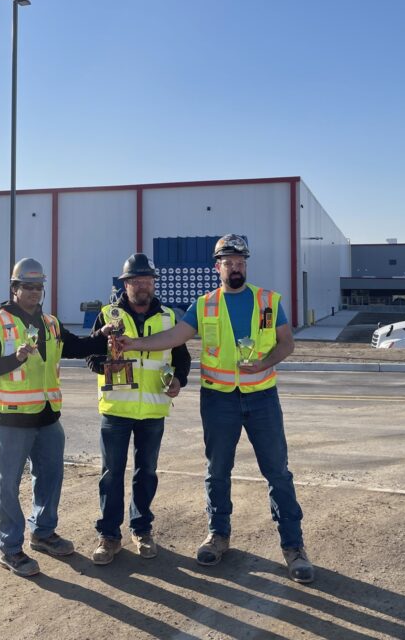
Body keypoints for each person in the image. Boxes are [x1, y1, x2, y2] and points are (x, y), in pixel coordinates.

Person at [117, 234, 314, 583]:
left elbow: (287, 343)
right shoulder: (204, 305)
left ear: (245, 266)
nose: (235, 267)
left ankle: (293, 547)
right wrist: (136, 344)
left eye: (240, 262)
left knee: (278, 472)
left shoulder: (268, 301)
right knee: (217, 471)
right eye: (229, 262)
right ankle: (218, 535)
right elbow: (175, 337)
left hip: (262, 397)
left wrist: (266, 362)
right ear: (217, 267)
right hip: (219, 399)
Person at [0, 257, 113, 577]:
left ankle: (43, 532)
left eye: (39, 287)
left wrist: (102, 335)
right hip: (10, 419)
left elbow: (76, 347)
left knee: (50, 477)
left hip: (47, 416)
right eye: (28, 287)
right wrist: (15, 358)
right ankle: (10, 549)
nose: (35, 292)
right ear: (14, 289)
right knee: (7, 484)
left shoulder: (50, 323)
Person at [86, 253, 192, 565]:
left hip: (154, 411)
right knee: (111, 474)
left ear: (153, 283)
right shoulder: (109, 314)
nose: (142, 285)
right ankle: (109, 536)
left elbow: (181, 358)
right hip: (117, 409)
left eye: (147, 280)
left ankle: (142, 529)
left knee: (146, 473)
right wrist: (108, 364)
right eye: (136, 280)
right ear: (125, 284)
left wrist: (179, 381)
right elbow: (91, 356)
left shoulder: (169, 318)